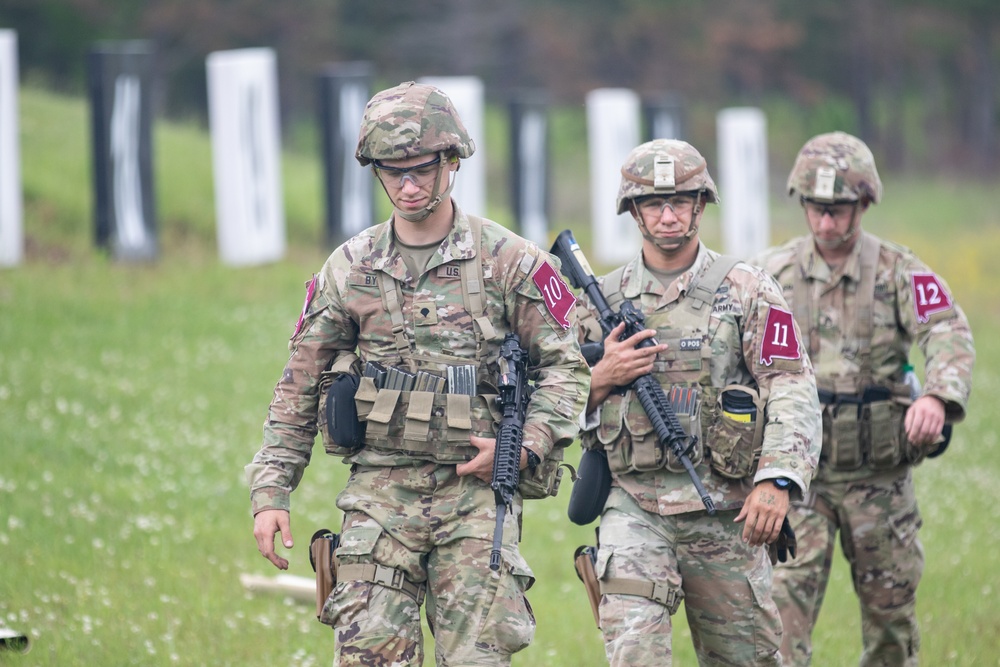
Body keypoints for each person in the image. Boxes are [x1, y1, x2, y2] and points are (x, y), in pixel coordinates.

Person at [245, 81, 590, 667]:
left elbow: (566, 366)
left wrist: (522, 447)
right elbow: (300, 379)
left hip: (477, 500)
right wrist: (271, 490)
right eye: (392, 170)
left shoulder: (511, 261)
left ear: (452, 162)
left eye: (422, 169)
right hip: (379, 499)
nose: (407, 184)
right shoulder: (349, 268)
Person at [577, 138, 821, 666]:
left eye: (680, 202)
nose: (667, 216)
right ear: (633, 211)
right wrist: (600, 378)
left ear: (701, 205)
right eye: (653, 204)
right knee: (635, 653)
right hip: (634, 506)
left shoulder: (748, 290)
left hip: (727, 510)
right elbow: (553, 395)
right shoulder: (599, 298)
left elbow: (792, 387)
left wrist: (776, 481)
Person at [752, 131, 975, 666]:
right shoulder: (769, 275)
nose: (827, 223)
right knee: (778, 624)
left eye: (840, 210)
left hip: (879, 482)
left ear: (865, 204)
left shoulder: (899, 271)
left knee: (891, 625)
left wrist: (938, 398)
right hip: (799, 482)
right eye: (817, 209)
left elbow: (946, 329)